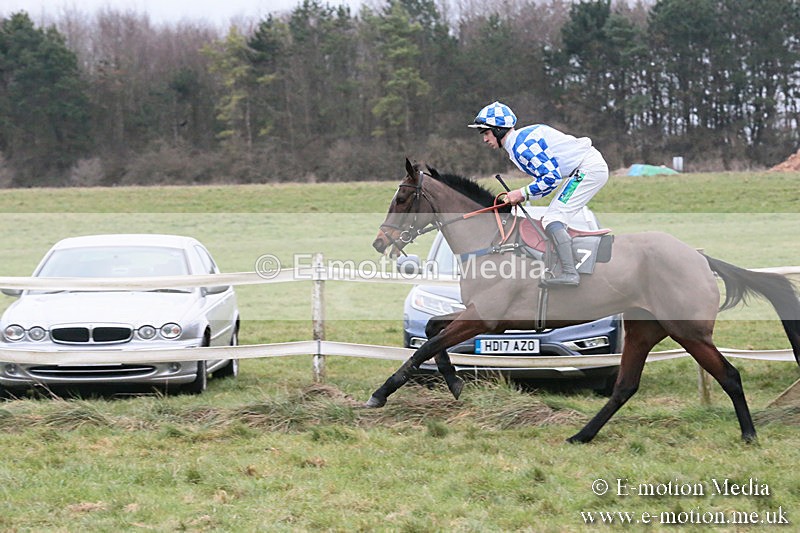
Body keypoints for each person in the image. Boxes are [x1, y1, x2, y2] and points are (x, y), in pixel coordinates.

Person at [468, 101, 609, 287]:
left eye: (486, 133)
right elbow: (548, 180)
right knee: (552, 217)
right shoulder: (518, 144)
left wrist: (523, 193)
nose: (485, 139)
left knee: (553, 218)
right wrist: (523, 195)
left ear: (499, 130)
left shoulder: (522, 146)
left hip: (587, 169)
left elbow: (552, 177)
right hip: (583, 168)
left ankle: (569, 272)